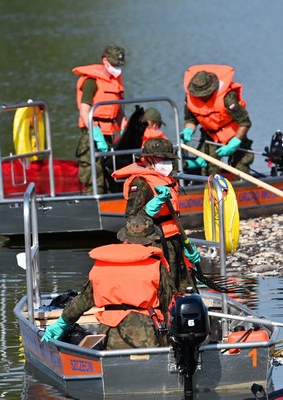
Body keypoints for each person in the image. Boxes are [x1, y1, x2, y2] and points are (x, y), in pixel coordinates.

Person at [41, 215, 177, 349]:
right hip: (146, 336)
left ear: (124, 237)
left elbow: (83, 301)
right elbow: (169, 304)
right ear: (151, 240)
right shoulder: (156, 266)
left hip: (109, 335)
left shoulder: (102, 264)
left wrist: (62, 322)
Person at [111, 138, 201, 292]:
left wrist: (186, 244)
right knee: (163, 289)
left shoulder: (166, 179)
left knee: (185, 286)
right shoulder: (140, 183)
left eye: (169, 159)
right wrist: (151, 207)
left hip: (174, 241)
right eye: (163, 159)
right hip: (155, 243)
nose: (167, 163)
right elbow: (132, 221)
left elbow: (173, 219)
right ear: (149, 159)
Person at [180, 64, 254, 176]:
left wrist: (234, 142)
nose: (200, 97)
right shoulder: (190, 98)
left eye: (203, 94)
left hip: (233, 134)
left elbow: (245, 122)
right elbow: (191, 119)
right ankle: (209, 190)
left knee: (240, 166)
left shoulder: (228, 98)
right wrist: (188, 130)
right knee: (207, 167)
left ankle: (243, 189)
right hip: (210, 135)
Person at [73, 44, 128, 194]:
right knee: (94, 176)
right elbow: (84, 109)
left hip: (109, 135)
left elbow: (118, 110)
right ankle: (92, 205)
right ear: (105, 61)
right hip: (91, 136)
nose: (117, 68)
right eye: (114, 65)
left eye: (119, 65)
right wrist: (95, 133)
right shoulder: (91, 82)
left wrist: (125, 128)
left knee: (111, 175)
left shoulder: (115, 82)